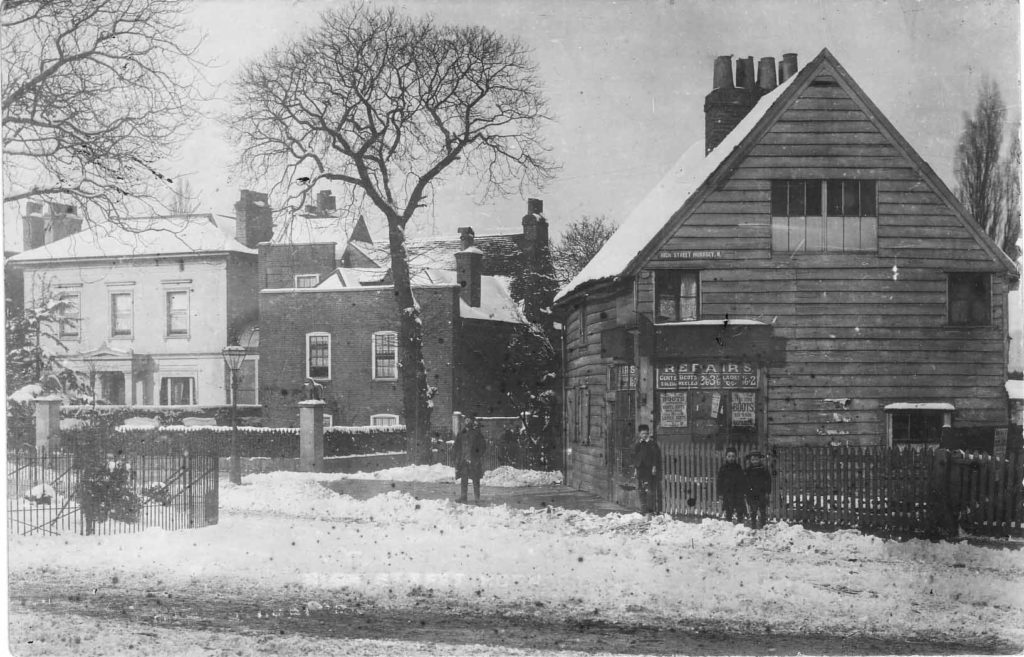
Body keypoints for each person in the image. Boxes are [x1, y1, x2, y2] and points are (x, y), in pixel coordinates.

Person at [453, 413, 487, 504]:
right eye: (466, 420)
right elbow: (456, 447)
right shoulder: (461, 433)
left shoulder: (476, 433)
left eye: (469, 420)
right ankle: (463, 498)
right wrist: (458, 457)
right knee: (464, 480)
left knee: (476, 480)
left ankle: (477, 499)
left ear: (472, 421)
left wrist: (477, 456)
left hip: (473, 461)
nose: (467, 421)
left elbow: (483, 446)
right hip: (463, 461)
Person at [633, 424, 662, 515]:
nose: (644, 435)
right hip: (640, 470)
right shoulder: (638, 444)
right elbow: (636, 457)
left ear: (648, 433)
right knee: (641, 490)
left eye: (646, 433)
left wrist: (654, 467)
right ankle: (643, 509)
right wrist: (635, 469)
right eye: (642, 433)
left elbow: (656, 456)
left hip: (649, 470)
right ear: (639, 434)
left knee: (650, 490)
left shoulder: (652, 444)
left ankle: (650, 510)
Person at [716, 447, 746, 523]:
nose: (731, 458)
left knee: (739, 508)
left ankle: (740, 522)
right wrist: (720, 492)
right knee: (728, 508)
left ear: (735, 457)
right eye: (729, 456)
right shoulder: (723, 468)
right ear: (726, 457)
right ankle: (728, 522)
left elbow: (742, 480)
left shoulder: (738, 467)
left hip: (737, 492)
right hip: (727, 492)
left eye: (733, 456)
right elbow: (719, 481)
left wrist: (743, 491)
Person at [744, 451, 772, 529]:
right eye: (753, 460)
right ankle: (753, 524)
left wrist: (767, 491)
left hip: (761, 492)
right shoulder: (748, 470)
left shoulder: (763, 469)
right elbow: (745, 481)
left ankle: (763, 524)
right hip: (752, 493)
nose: (755, 461)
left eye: (756, 459)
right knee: (753, 510)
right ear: (750, 460)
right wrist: (747, 491)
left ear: (760, 459)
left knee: (762, 509)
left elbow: (768, 480)